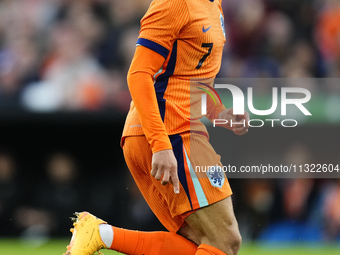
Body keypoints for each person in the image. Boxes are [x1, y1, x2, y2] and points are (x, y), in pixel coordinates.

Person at [64, 0, 249, 254]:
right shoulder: (175, 2)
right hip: (170, 133)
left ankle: (101, 234)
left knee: (201, 242)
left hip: (166, 132)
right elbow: (138, 74)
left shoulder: (213, 5)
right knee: (225, 241)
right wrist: (161, 144)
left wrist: (219, 113)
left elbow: (189, 77)